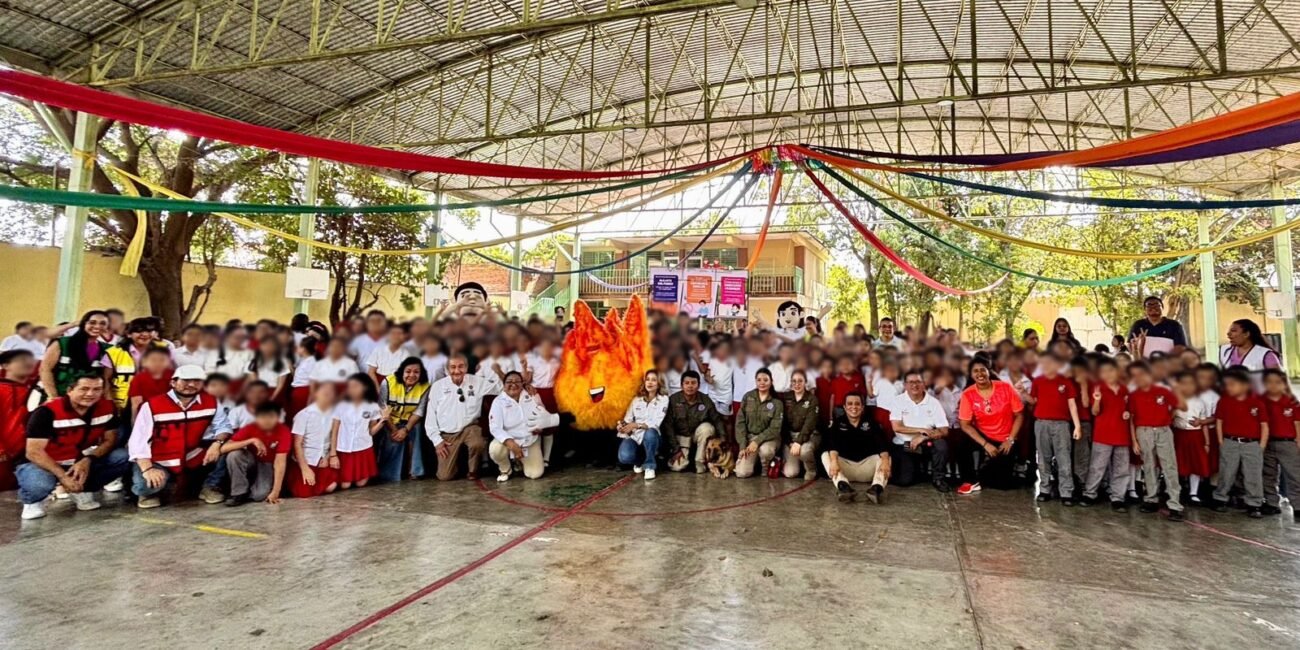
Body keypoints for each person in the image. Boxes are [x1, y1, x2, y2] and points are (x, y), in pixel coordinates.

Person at [15, 375, 129, 520]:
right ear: (70, 390)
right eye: (84, 389)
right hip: (43, 463)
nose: (90, 394)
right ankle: (33, 501)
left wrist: (88, 459)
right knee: (39, 484)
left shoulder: (107, 408)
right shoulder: (46, 412)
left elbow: (109, 441)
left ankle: (82, 490)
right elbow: (33, 452)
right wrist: (62, 477)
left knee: (121, 457)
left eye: (97, 389)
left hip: (77, 460)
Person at [128, 365, 233, 508]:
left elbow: (224, 427)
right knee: (146, 485)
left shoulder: (212, 402)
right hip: (160, 460)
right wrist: (148, 469)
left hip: (193, 456)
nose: (191, 385)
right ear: (173, 382)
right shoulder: (152, 405)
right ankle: (149, 493)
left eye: (197, 381)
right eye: (185, 380)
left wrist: (217, 443)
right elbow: (138, 441)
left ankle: (210, 486)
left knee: (227, 448)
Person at [956, 356, 1025, 494]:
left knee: (1002, 484)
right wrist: (985, 444)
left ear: (989, 371)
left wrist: (1010, 440)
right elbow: (965, 424)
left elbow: (1019, 415)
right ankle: (970, 481)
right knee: (962, 442)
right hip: (984, 435)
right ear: (971, 374)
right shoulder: (968, 394)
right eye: (975, 371)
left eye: (983, 370)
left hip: (1006, 438)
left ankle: (984, 473)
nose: (980, 374)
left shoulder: (1005, 388)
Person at [426, 355, 500, 481]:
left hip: (469, 428)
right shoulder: (438, 386)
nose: (457, 370)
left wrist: (499, 373)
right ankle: (456, 468)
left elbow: (500, 388)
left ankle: (473, 471)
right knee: (445, 477)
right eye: (453, 367)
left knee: (477, 442)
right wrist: (437, 441)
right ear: (447, 369)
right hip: (447, 435)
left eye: (461, 366)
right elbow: (430, 417)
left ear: (466, 368)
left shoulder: (477, 381)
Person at [1128, 362, 1184, 520]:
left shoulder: (1162, 391)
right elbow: (1131, 419)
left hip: (1163, 430)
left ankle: (1175, 503)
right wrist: (1134, 441)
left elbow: (1174, 406)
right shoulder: (1134, 395)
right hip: (1143, 431)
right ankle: (1151, 498)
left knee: (1169, 466)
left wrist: (1166, 420)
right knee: (1149, 466)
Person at [1211, 369, 1268, 517]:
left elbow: (1264, 425)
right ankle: (1220, 498)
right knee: (1227, 472)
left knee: (1253, 474)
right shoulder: (1224, 401)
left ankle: (1254, 503)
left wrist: (1261, 445)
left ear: (1245, 385)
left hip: (1252, 444)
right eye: (1227, 384)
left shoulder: (1257, 402)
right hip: (1230, 441)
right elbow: (1219, 422)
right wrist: (1220, 441)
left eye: (1232, 384)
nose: (1229, 387)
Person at [487, 371, 559, 482]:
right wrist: (511, 443)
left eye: (517, 381)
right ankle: (505, 469)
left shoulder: (532, 394)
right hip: (509, 441)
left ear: (522, 384)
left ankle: (519, 461)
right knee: (495, 449)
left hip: (529, 440)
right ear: (504, 384)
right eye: (509, 382)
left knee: (535, 474)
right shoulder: (498, 402)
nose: (513, 384)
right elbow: (495, 427)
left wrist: (540, 426)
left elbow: (542, 412)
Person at [1081, 358, 1133, 511]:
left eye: (1112, 370)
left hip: (1122, 435)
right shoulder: (1099, 389)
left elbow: (1130, 410)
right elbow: (1094, 412)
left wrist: (1127, 414)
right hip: (1103, 435)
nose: (1109, 374)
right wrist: (1097, 401)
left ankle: (1118, 497)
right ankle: (1090, 493)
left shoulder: (1125, 389)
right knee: (1097, 466)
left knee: (1121, 468)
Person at [1029, 355, 1082, 505]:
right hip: (1041, 423)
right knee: (1043, 458)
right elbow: (1033, 400)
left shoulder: (1065, 381)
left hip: (1061, 425)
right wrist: (1023, 393)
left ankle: (1066, 492)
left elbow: (1072, 405)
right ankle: (1044, 489)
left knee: (1064, 458)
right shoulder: (1038, 381)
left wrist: (1077, 425)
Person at [821, 393, 891, 503]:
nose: (854, 407)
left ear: (863, 407)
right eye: (850, 404)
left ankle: (876, 489)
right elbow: (832, 445)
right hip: (845, 469)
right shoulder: (838, 423)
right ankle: (844, 487)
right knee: (826, 455)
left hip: (867, 469)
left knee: (886, 458)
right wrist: (834, 462)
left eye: (857, 404)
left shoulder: (872, 423)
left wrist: (886, 461)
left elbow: (882, 445)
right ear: (844, 407)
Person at [887, 370, 951, 492]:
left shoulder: (933, 403)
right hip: (904, 445)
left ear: (924, 384)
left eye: (918, 382)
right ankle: (913, 469)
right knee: (905, 481)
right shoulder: (897, 401)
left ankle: (938, 479)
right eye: (910, 382)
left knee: (941, 445)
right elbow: (897, 427)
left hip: (925, 444)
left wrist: (923, 436)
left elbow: (944, 430)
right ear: (905, 385)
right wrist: (921, 430)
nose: (914, 385)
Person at [219, 402, 290, 506]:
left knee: (259, 496)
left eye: (271, 416)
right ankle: (238, 493)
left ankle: (251, 489)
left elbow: (280, 462)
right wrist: (251, 440)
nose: (266, 420)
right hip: (251, 460)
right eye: (262, 416)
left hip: (268, 464)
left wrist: (276, 491)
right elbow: (223, 448)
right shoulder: (250, 427)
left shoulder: (284, 431)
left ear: (278, 417)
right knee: (234, 455)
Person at [376, 357, 429, 482]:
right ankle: (390, 475)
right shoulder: (388, 382)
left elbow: (419, 411)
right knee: (393, 440)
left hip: (410, 420)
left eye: (416, 372)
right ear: (402, 372)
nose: (412, 375)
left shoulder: (425, 386)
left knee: (416, 432)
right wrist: (395, 430)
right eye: (408, 371)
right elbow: (382, 407)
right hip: (389, 420)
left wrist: (405, 430)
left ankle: (415, 471)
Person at [40, 310, 112, 400]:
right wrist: (53, 396)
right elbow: (45, 369)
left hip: (88, 400)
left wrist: (107, 401)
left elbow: (106, 379)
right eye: (92, 322)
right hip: (60, 397)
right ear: (83, 324)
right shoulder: (63, 343)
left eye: (103, 323)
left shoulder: (108, 349)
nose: (97, 326)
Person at [662, 370, 724, 473]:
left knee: (707, 428)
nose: (690, 386)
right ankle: (680, 458)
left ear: (698, 385)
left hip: (697, 436)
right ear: (681, 386)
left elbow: (717, 420)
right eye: (687, 383)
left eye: (693, 383)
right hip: (681, 438)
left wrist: (723, 440)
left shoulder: (706, 400)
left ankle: (699, 462)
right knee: (678, 467)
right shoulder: (673, 400)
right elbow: (668, 426)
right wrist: (676, 449)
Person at [330, 373, 385, 489]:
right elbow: (334, 431)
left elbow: (371, 431)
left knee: (361, 483)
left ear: (365, 387)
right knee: (345, 485)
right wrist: (333, 454)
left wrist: (383, 421)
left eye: (355, 386)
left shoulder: (372, 406)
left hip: (363, 448)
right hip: (344, 449)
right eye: (349, 386)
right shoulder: (340, 405)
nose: (351, 389)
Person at [288, 382, 339, 498]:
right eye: (324, 393)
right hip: (306, 460)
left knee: (332, 486)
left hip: (322, 460)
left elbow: (332, 438)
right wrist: (305, 469)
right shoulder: (304, 415)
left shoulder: (334, 414)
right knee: (304, 494)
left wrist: (326, 457)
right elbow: (297, 444)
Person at [1260, 368, 1300, 516]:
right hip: (1269, 442)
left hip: (1288, 443)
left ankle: (1297, 504)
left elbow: (1297, 423)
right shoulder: (1261, 401)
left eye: (1278, 382)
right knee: (1268, 474)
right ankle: (1271, 503)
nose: (1273, 385)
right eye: (1269, 382)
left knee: (1294, 475)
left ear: (1284, 384)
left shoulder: (1291, 401)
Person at [618, 370, 669, 481]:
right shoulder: (636, 400)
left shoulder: (663, 399)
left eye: (654, 380)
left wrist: (635, 425)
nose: (650, 382)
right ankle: (639, 461)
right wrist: (622, 426)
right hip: (635, 437)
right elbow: (628, 420)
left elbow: (655, 423)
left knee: (650, 432)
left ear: (659, 383)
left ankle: (650, 466)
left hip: (653, 438)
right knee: (624, 457)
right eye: (647, 379)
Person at [1171, 371, 1213, 505]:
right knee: (1178, 463)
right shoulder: (1175, 400)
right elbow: (1169, 418)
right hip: (1179, 434)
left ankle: (1193, 492)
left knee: (1196, 464)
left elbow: (1203, 422)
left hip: (1196, 435)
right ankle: (1175, 490)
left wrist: (1206, 442)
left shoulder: (1200, 402)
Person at [734, 368, 783, 478]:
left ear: (771, 381)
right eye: (759, 380)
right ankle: (754, 463)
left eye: (765, 380)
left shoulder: (777, 403)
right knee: (742, 473)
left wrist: (757, 441)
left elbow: (775, 428)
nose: (762, 383)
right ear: (755, 381)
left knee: (766, 451)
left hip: (770, 439)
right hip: (750, 438)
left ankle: (766, 468)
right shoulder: (748, 397)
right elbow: (740, 423)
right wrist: (743, 445)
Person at [0, 350, 36, 492]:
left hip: (27, 450)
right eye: (21, 360)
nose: (28, 363)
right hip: (4, 452)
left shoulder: (35, 388)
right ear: (5, 365)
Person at [1219, 319, 1281, 393]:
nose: (1228, 334)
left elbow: (1278, 381)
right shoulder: (1224, 351)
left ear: (1246, 334)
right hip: (1231, 399)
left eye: (1233, 330)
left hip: (1258, 399)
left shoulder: (1266, 355)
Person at [781, 369, 820, 480]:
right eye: (794, 381)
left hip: (809, 436)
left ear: (805, 382)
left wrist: (798, 442)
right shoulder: (786, 398)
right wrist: (790, 443)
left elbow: (810, 424)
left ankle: (811, 469)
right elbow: (783, 423)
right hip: (791, 438)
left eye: (800, 381)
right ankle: (793, 462)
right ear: (791, 383)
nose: (797, 384)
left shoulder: (812, 399)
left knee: (805, 451)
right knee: (791, 473)